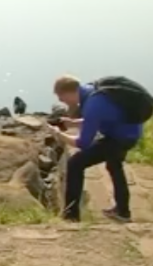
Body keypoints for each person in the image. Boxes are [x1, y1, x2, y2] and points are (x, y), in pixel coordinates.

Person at [50, 75, 144, 223]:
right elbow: (98, 117)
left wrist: (58, 134)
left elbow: (83, 143)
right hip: (129, 132)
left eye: (61, 96)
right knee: (114, 165)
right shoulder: (92, 91)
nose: (61, 101)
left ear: (69, 92)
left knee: (76, 163)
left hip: (120, 138)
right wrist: (74, 123)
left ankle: (71, 216)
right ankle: (123, 211)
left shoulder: (92, 105)